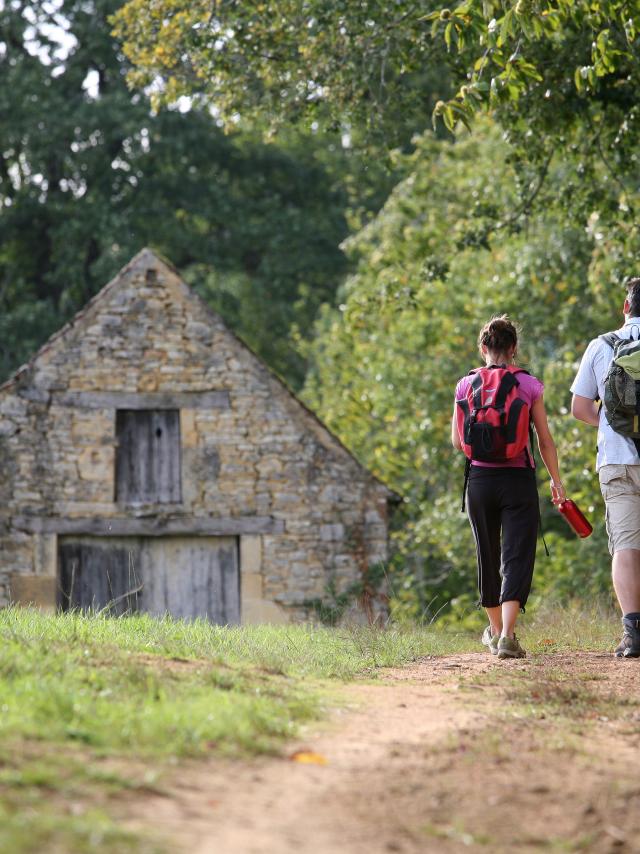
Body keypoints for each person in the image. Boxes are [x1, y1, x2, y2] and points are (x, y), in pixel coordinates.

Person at [451, 315, 565, 659]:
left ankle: (496, 630)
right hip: (518, 480)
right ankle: (508, 636)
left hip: (480, 482)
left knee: (487, 555)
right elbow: (544, 440)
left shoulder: (464, 385)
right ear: (514, 348)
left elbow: (459, 442)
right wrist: (556, 482)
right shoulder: (529, 385)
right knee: (516, 556)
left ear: (483, 348)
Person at [571, 279, 640, 658]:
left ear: (625, 307)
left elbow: (580, 407)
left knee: (627, 545)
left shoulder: (602, 346)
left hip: (618, 459)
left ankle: (633, 632)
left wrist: (616, 423)